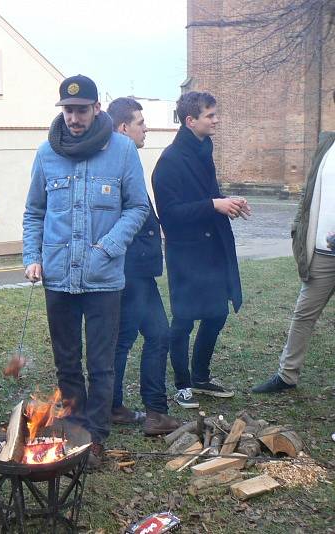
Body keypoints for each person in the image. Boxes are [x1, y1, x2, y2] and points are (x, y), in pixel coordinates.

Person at [22, 75, 150, 466]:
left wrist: (109, 247)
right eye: (68, 110)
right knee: (66, 360)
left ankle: (95, 437)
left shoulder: (123, 150)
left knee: (101, 363)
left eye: (82, 109)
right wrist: (32, 256)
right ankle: (74, 429)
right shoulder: (47, 153)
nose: (75, 118)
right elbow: (34, 212)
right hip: (58, 278)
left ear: (97, 109)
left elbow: (138, 207)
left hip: (103, 278)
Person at [152, 91, 250, 408]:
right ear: (191, 120)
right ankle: (182, 384)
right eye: (210, 115)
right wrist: (214, 205)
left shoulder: (204, 148)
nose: (216, 119)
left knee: (217, 314)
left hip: (213, 251)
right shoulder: (169, 162)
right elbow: (170, 215)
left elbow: (210, 195)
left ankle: (201, 377)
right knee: (183, 321)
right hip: (187, 254)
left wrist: (229, 203)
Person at [106, 97, 180, 435]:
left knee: (124, 338)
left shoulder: (115, 155)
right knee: (156, 334)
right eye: (140, 122)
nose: (146, 127)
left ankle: (115, 405)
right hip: (132, 269)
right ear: (124, 127)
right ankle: (154, 412)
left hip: (129, 268)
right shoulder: (121, 159)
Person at [252, 132, 335, 393]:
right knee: (303, 314)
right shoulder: (327, 144)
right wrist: (297, 226)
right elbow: (309, 193)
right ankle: (287, 375)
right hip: (322, 252)